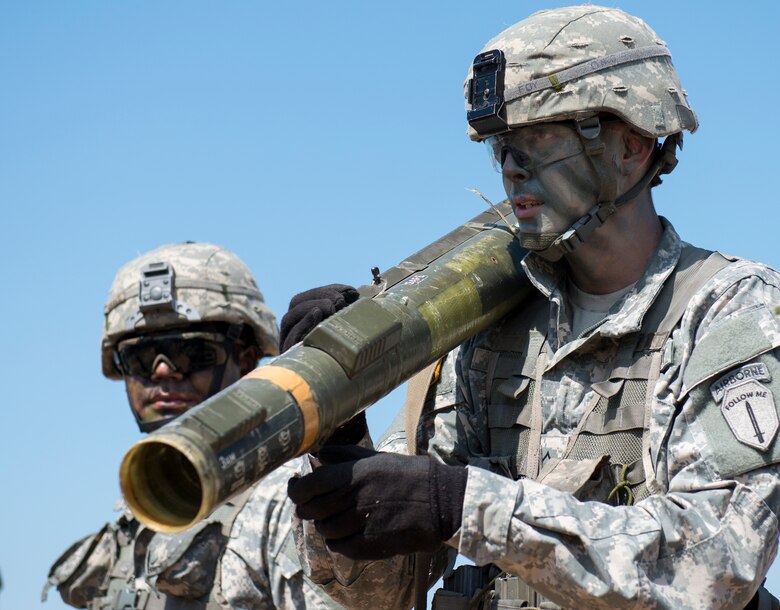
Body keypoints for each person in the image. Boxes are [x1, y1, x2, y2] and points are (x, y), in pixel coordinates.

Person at [284, 6, 780, 609]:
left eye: (539, 138)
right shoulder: (492, 336)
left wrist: (463, 504)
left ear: (633, 141)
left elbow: (711, 568)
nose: (512, 169)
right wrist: (342, 439)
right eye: (502, 147)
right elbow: (381, 593)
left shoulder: (731, 311)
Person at [43, 242, 344, 609]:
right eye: (139, 358)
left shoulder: (289, 496)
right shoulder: (141, 508)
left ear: (246, 359)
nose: (163, 371)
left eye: (193, 353)